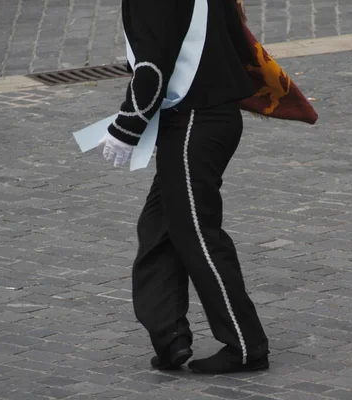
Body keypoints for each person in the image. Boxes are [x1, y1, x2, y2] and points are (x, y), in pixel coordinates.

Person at [98, 0, 270, 374]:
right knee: (159, 227)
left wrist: (128, 126)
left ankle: (245, 344)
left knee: (196, 233)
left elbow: (151, 68)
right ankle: (170, 338)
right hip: (211, 117)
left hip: (195, 122)